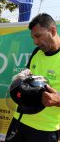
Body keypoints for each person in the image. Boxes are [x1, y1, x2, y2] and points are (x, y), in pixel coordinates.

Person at [5, 13, 60, 142]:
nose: (35, 42)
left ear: (52, 30)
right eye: (33, 37)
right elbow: (29, 73)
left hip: (45, 129)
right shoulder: (37, 52)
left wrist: (58, 100)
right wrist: (21, 77)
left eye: (38, 36)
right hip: (19, 119)